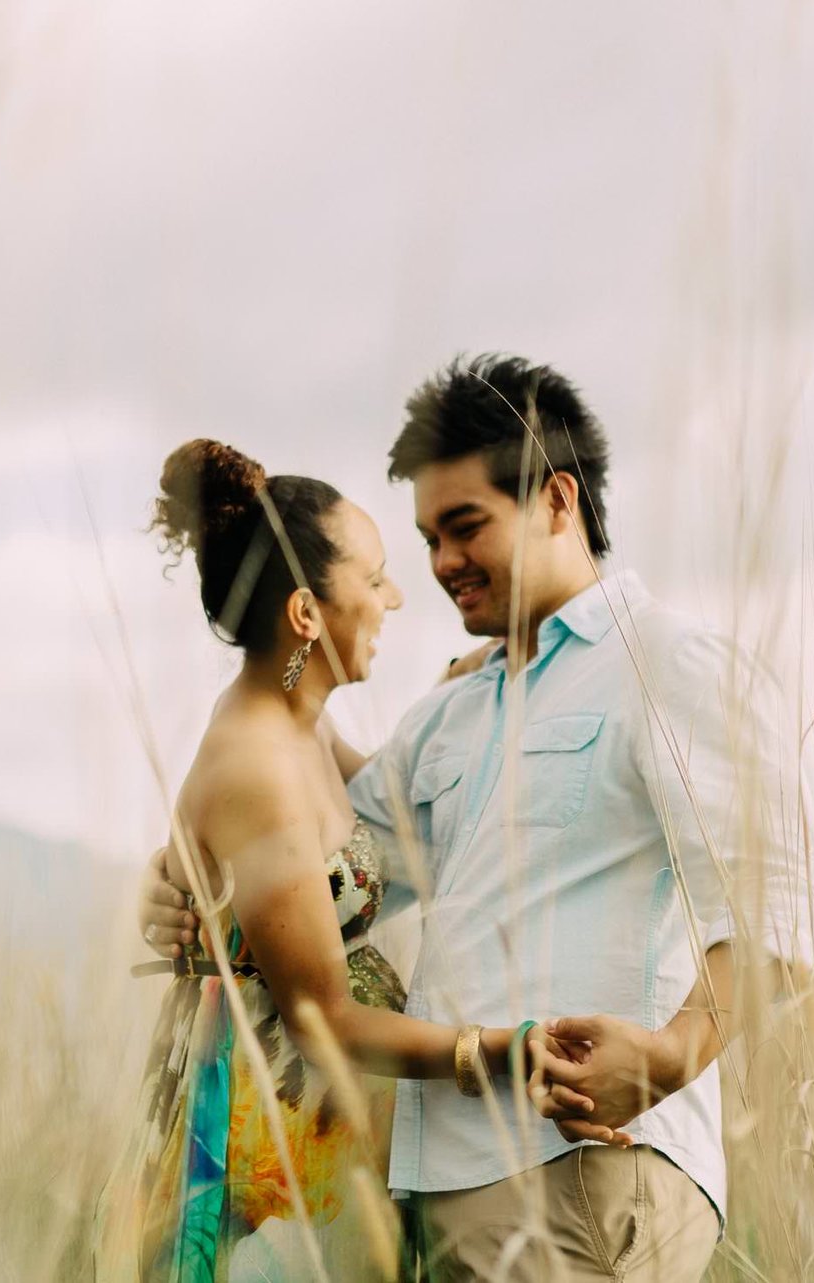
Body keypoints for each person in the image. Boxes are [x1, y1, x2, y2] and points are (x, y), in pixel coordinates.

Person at [140, 357, 799, 1282]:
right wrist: (184, 878)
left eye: (465, 527)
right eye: (426, 538)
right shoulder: (452, 715)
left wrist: (669, 1055)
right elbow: (324, 857)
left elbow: (772, 907)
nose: (442, 564)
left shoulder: (666, 665)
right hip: (425, 1188)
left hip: (583, 1167)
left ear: (558, 501)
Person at [131, 437, 593, 1283]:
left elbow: (388, 802)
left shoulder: (300, 727)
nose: (393, 596)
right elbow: (321, 1018)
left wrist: (474, 680)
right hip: (264, 1150)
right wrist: (504, 1049)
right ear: (307, 613)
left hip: (320, 1137)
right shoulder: (256, 764)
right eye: (374, 576)